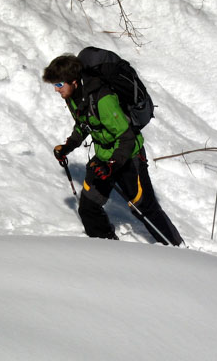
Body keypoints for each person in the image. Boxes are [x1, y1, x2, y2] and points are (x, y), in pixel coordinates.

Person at [42, 52, 184, 246]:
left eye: (59, 85)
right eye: (54, 85)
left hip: (128, 158)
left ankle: (178, 249)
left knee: (143, 207)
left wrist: (111, 165)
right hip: (104, 156)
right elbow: (84, 124)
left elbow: (126, 138)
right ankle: (108, 250)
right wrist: (68, 146)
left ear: (74, 81)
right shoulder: (73, 97)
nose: (56, 90)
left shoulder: (103, 99)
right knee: (88, 207)